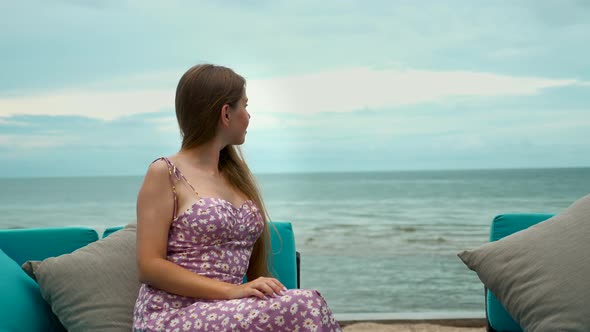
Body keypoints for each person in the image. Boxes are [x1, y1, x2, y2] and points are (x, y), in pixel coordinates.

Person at [133, 64, 341, 332]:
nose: (249, 115)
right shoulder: (165, 172)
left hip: (228, 309)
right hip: (174, 314)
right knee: (304, 305)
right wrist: (233, 290)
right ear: (226, 113)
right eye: (244, 105)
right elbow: (148, 266)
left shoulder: (234, 176)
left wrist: (246, 292)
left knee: (308, 303)